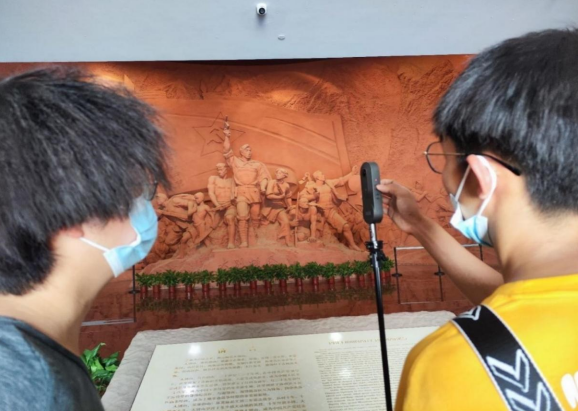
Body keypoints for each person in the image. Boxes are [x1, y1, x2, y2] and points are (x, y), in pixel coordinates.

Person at [376, 29, 578, 410]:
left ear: (480, 177)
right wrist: (419, 224)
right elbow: (519, 298)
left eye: (444, 160)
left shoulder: (449, 366)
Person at [0, 68, 169, 410]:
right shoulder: (30, 387)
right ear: (70, 214)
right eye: (135, 189)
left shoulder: (31, 360)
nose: (147, 204)